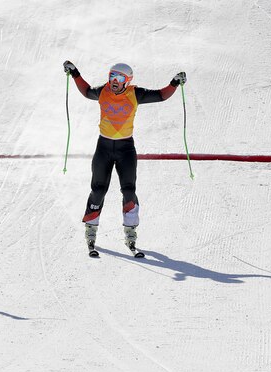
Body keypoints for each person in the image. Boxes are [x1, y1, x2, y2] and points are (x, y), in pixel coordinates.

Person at [62, 60, 186, 254]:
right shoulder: (103, 91)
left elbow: (162, 95)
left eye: (119, 78)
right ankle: (91, 229)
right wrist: (75, 72)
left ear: (127, 81)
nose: (114, 81)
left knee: (129, 191)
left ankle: (130, 233)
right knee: (98, 190)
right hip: (103, 147)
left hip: (125, 149)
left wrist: (175, 83)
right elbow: (86, 92)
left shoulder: (135, 94)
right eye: (112, 76)